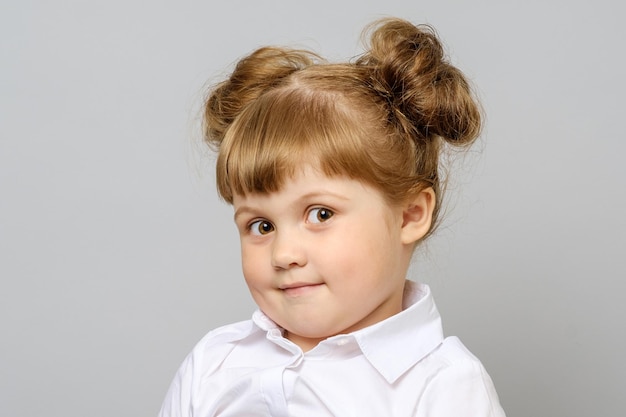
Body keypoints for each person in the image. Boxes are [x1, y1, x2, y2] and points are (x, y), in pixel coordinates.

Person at [159, 17, 505, 417]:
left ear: (410, 215)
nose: (284, 253)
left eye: (320, 214)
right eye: (262, 226)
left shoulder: (443, 387)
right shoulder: (213, 364)